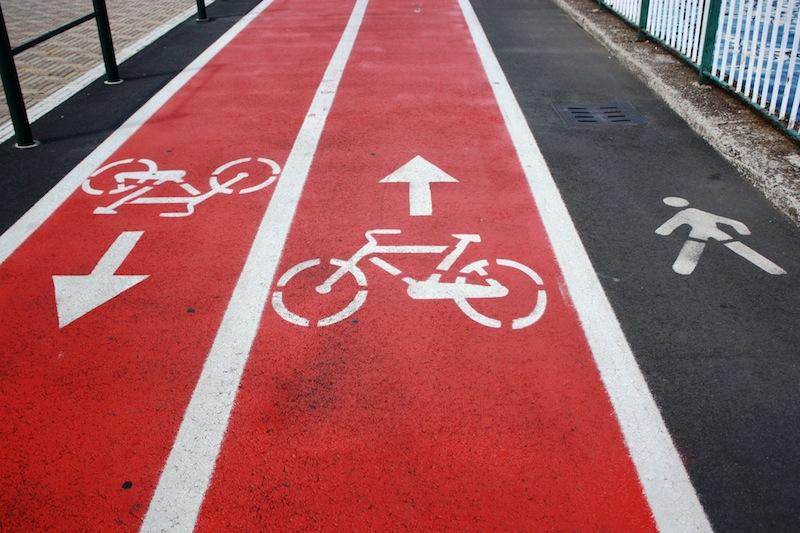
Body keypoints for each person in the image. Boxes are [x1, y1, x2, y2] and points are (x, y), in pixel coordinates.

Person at [655, 197, 786, 275]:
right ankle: (769, 266)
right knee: (736, 246)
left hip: (701, 234)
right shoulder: (694, 211)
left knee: (694, 245)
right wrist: (741, 229)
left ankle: (683, 266)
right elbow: (729, 221)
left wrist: (665, 230)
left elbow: (672, 224)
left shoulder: (689, 211)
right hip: (716, 232)